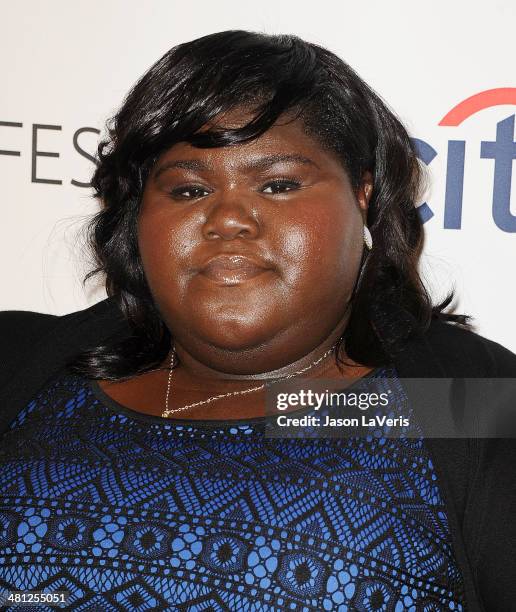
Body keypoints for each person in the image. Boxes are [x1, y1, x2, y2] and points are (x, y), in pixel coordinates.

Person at [0, 30, 515, 611]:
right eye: (190, 189)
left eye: (278, 184)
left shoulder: (468, 401)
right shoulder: (22, 364)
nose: (228, 218)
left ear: (363, 195)